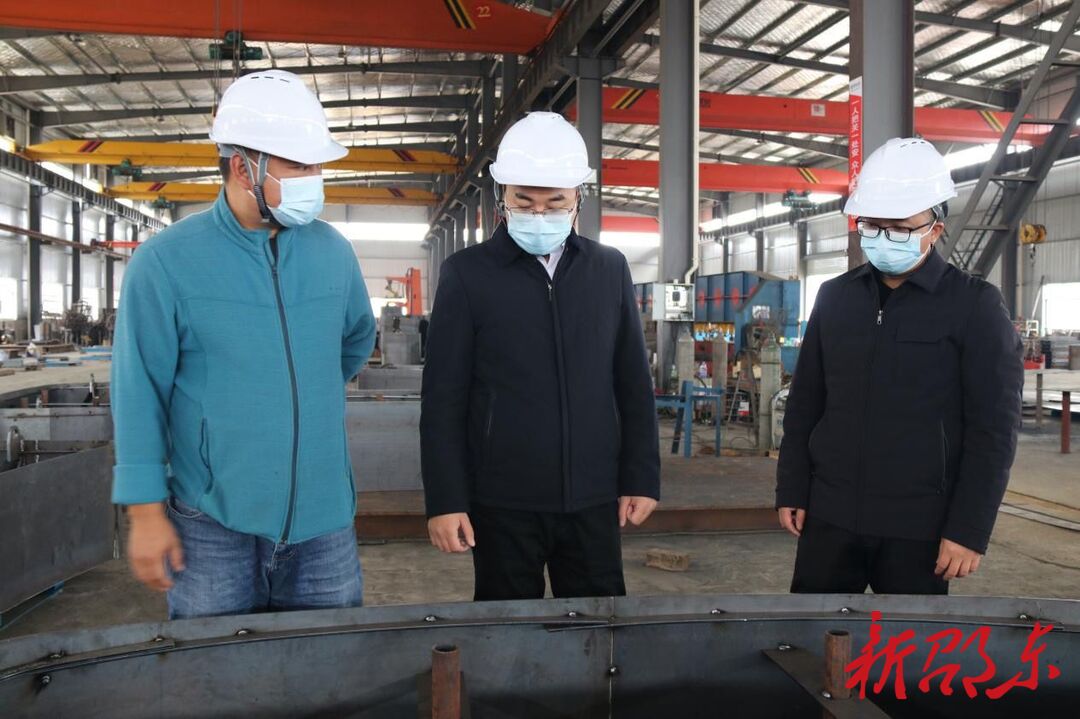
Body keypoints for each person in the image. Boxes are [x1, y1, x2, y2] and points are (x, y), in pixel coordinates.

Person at [111, 70, 377, 618]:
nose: (314, 179)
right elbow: (139, 391)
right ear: (242, 167)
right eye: (298, 166)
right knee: (216, 665)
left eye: (317, 166)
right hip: (211, 522)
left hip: (324, 520)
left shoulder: (333, 252)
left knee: (329, 662)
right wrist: (145, 511)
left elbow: (355, 341)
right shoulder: (165, 262)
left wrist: (295, 391)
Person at [420, 112, 660, 601]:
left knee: (597, 628)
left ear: (578, 200)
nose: (539, 215)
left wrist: (641, 477)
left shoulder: (608, 269)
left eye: (555, 203)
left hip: (593, 497)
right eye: (524, 202)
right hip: (502, 500)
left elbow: (633, 384)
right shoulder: (467, 274)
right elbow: (444, 398)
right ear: (502, 198)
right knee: (506, 630)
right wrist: (445, 499)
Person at [776, 137, 1024, 595]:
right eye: (872, 225)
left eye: (899, 228)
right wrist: (792, 488)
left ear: (935, 227)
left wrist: (969, 529)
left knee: (908, 644)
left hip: (920, 528)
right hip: (829, 518)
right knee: (814, 635)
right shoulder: (835, 298)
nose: (882, 238)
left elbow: (994, 430)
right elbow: (805, 404)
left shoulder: (975, 306)